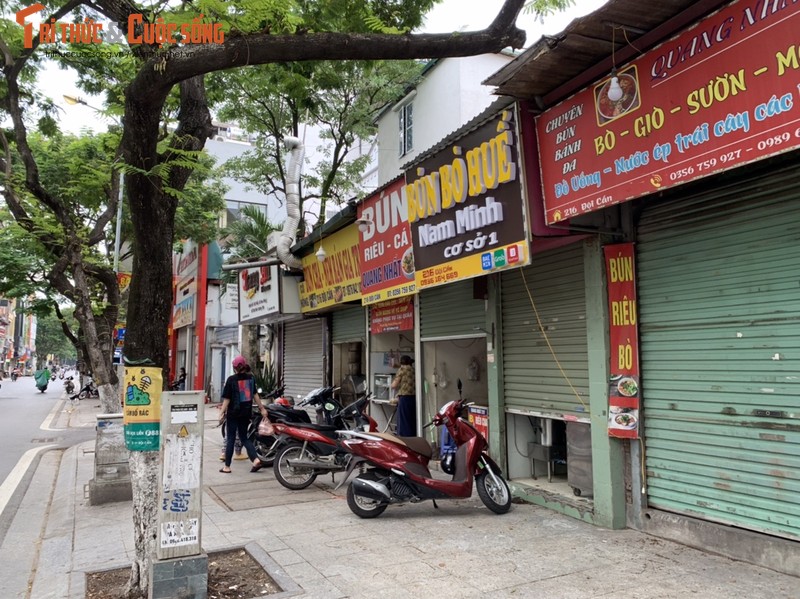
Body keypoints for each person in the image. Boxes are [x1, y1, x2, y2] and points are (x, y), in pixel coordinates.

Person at [219, 356, 268, 473]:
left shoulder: (231, 380)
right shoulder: (251, 379)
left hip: (233, 413)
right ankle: (255, 460)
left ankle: (227, 467)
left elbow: (227, 399)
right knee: (244, 437)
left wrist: (221, 413)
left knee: (230, 438)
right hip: (245, 413)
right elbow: (255, 395)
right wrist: (262, 409)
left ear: (234, 368)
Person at [390, 355, 416, 437]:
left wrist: (391, 385)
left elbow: (394, 385)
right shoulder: (413, 370)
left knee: (403, 421)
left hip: (404, 398)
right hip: (414, 398)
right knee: (411, 420)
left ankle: (403, 440)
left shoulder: (402, 370)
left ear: (402, 363)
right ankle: (412, 439)